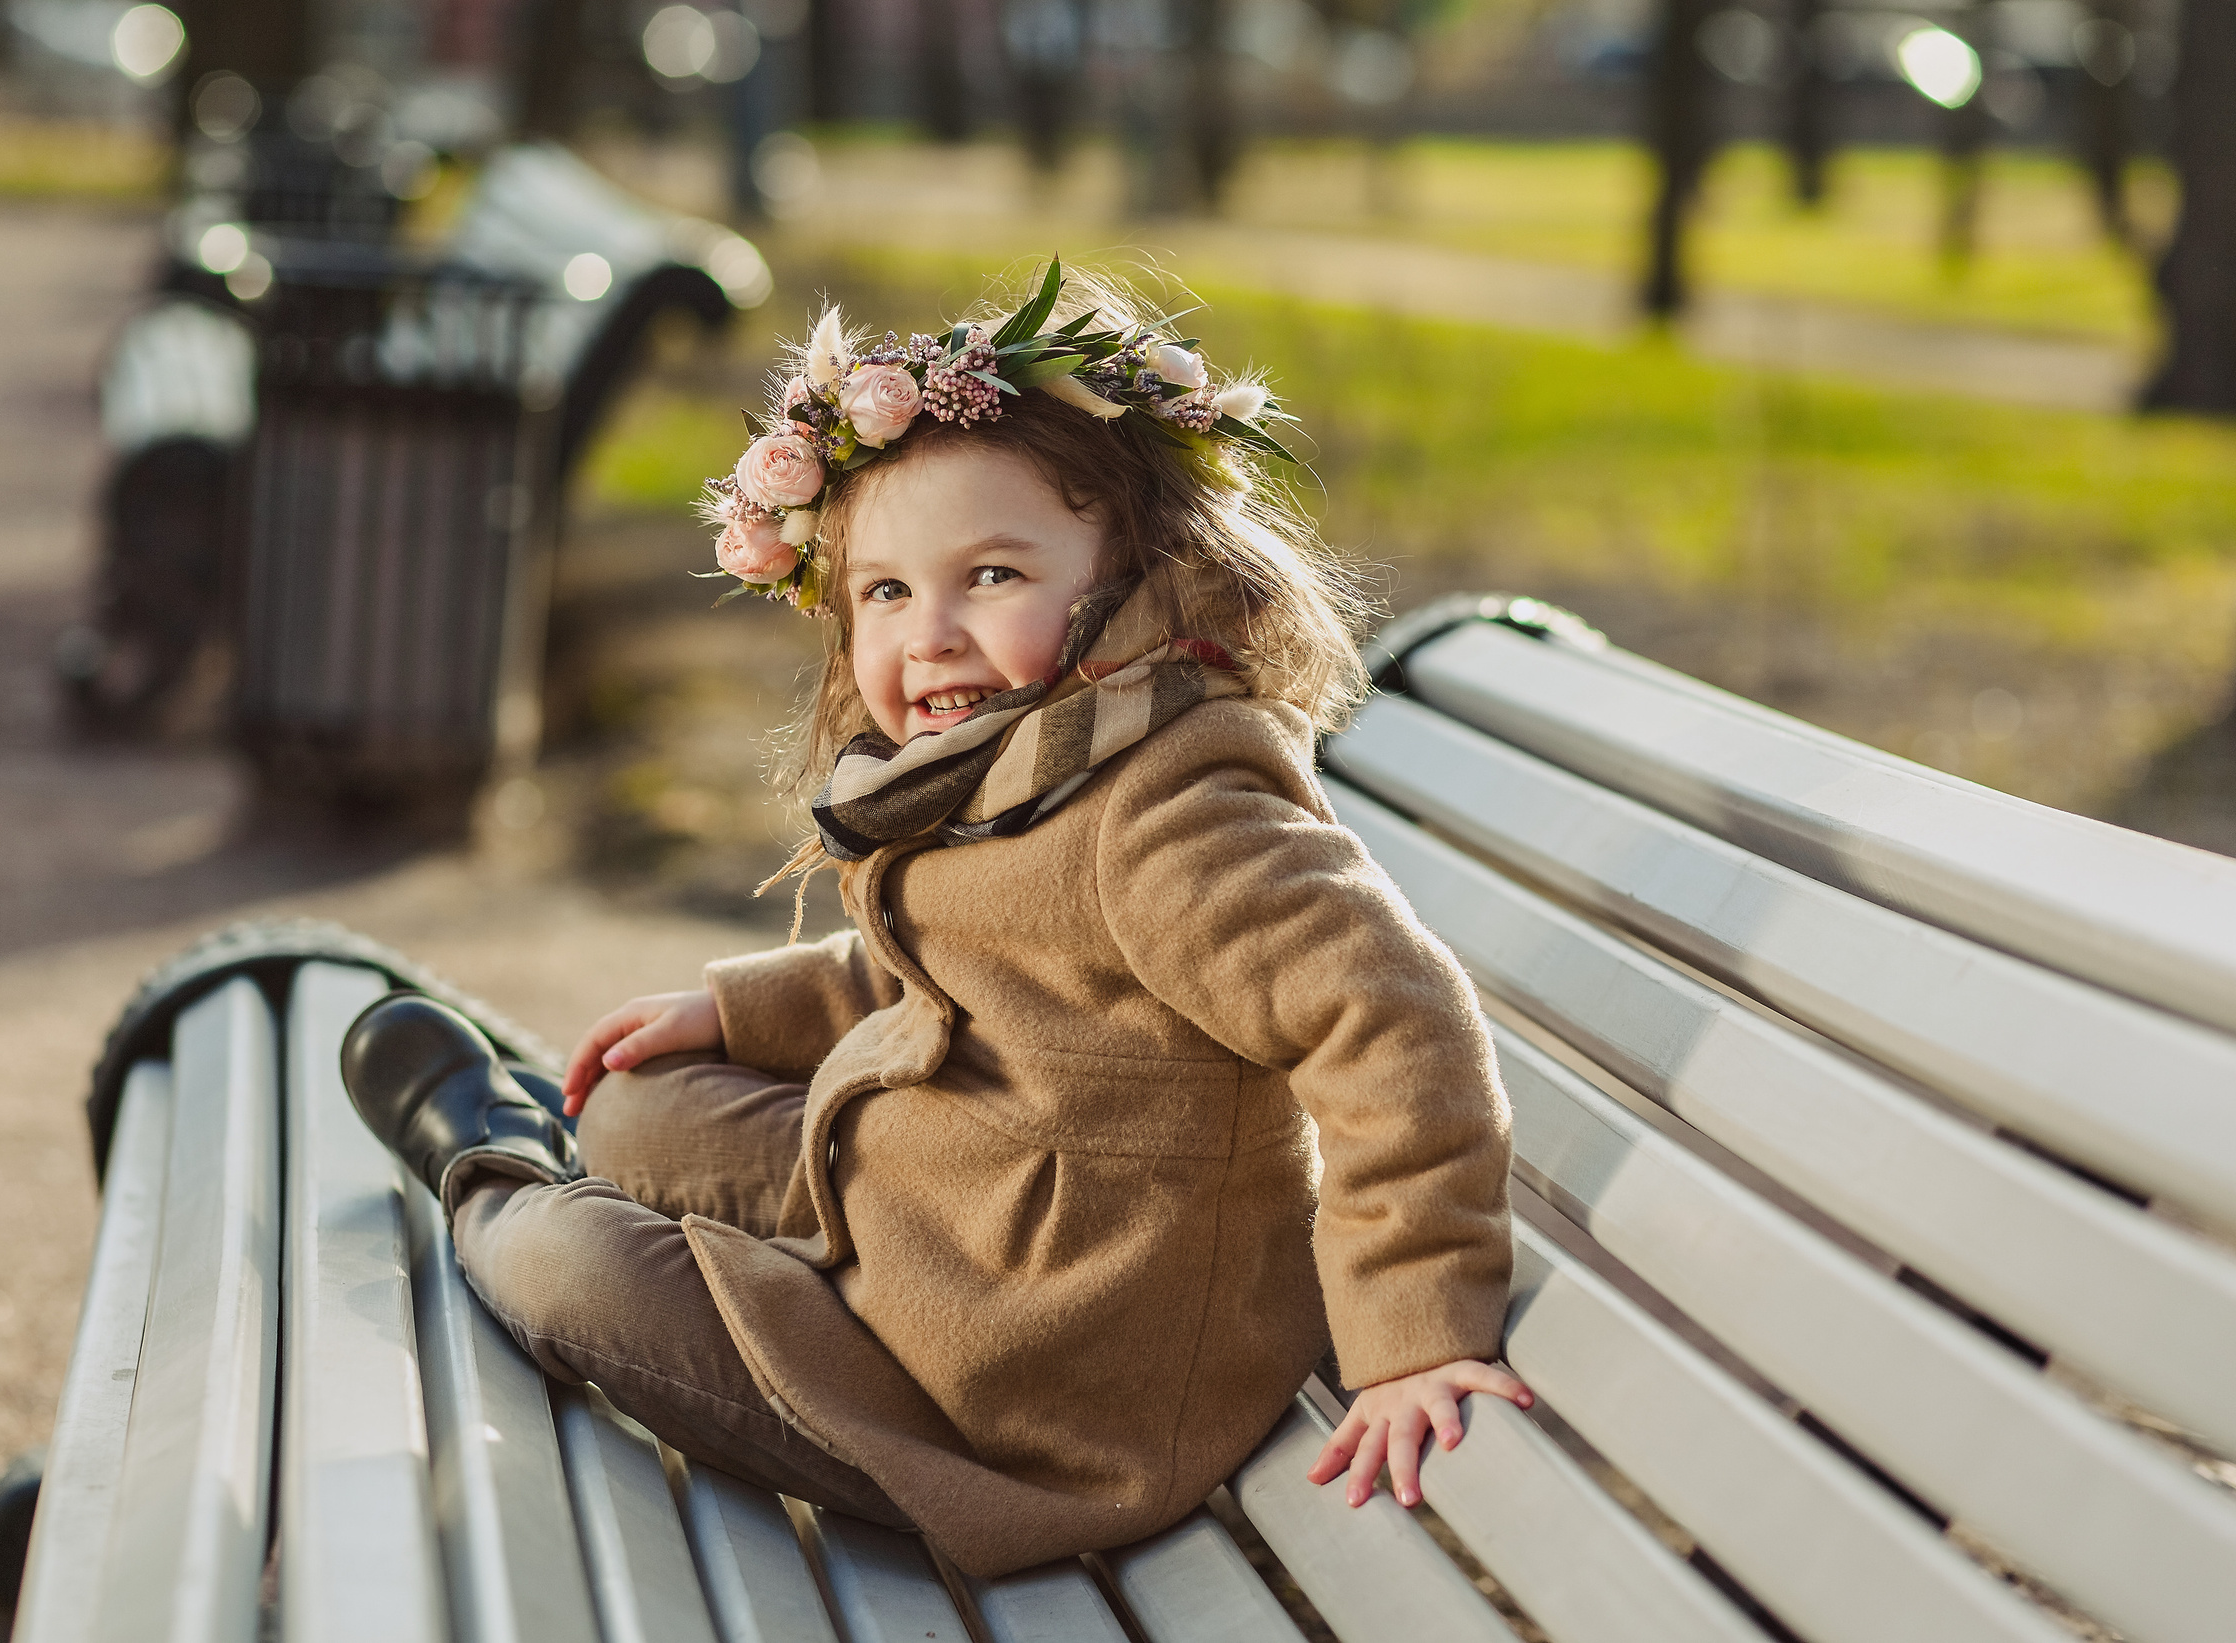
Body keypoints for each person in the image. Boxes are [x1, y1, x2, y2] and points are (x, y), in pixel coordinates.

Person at [342, 262, 1526, 1578]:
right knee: (640, 1100)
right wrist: (737, 1013)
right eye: (888, 595)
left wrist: (1418, 1331)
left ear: (1130, 570)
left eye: (994, 575)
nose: (934, 634)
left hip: (1026, 1390)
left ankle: (488, 1157)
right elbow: (972, 968)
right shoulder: (1043, 747)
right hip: (947, 1219)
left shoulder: (1176, 808)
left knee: (573, 1270)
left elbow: (1391, 1017)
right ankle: (585, 1142)